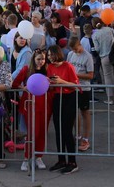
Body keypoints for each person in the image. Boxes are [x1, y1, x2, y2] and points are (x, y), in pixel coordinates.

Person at [13, 48, 48, 172]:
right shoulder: (26, 70)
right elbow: (15, 83)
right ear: (34, 59)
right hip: (29, 106)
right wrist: (23, 88)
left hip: (44, 106)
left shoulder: (47, 71)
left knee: (41, 132)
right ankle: (26, 158)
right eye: (39, 59)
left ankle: (38, 157)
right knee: (32, 133)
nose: (41, 62)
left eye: (43, 59)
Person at [47, 44, 80, 174]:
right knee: (58, 130)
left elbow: (76, 85)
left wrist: (61, 81)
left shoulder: (68, 66)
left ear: (57, 54)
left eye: (51, 55)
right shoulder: (49, 67)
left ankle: (72, 161)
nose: (49, 58)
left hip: (69, 98)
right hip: (57, 98)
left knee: (67, 131)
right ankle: (61, 160)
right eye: (48, 55)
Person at [67, 36, 94, 151]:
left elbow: (90, 75)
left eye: (77, 48)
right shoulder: (70, 55)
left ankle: (86, 138)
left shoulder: (87, 56)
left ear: (79, 44)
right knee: (73, 112)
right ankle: (77, 135)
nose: (76, 51)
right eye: (73, 49)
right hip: (73, 87)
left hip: (84, 88)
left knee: (85, 113)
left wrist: (76, 75)